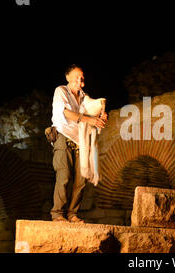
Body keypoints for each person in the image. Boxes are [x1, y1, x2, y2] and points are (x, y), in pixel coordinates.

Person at [50, 64, 107, 223]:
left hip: (81, 141)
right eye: (76, 77)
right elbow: (65, 113)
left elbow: (93, 108)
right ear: (67, 77)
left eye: (82, 78)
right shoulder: (60, 91)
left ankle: (72, 214)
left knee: (81, 179)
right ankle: (57, 214)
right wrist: (90, 119)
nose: (79, 80)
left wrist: (102, 114)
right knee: (64, 176)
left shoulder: (84, 96)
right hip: (63, 136)